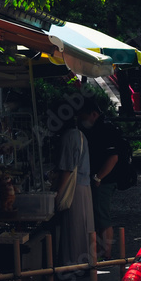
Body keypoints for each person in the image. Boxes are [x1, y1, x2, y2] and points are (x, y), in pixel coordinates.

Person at [77, 98, 121, 260]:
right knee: (99, 215)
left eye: (83, 117)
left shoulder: (104, 129)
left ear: (93, 114)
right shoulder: (102, 126)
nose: (82, 121)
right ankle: (103, 253)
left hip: (105, 180)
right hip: (103, 178)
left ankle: (106, 255)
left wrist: (98, 177)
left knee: (102, 216)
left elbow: (113, 157)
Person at [54, 122, 94, 267]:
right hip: (84, 185)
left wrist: (58, 192)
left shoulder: (68, 137)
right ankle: (83, 261)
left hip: (74, 186)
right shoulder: (80, 134)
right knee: (83, 226)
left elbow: (67, 169)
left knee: (73, 227)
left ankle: (72, 262)